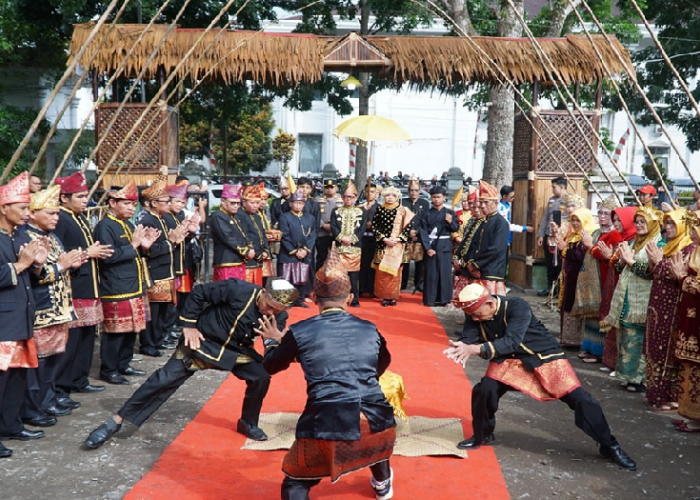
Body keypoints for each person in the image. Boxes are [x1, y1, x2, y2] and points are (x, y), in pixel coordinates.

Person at [82, 278, 297, 450]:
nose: (270, 313)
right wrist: (189, 325)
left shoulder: (279, 315)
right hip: (202, 340)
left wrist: (276, 340)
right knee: (164, 379)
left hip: (234, 351)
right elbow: (200, 292)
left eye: (276, 311)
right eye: (269, 306)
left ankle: (248, 422)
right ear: (264, 293)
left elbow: (270, 347)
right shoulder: (239, 289)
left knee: (260, 376)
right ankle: (115, 421)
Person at [443, 283, 637, 471]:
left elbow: (512, 341)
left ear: (491, 304)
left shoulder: (518, 306)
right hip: (510, 359)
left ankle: (609, 445)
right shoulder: (474, 312)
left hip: (544, 356)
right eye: (472, 316)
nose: (475, 320)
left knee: (581, 400)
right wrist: (461, 347)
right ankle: (482, 435)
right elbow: (469, 338)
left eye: (477, 315)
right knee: (484, 389)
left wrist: (475, 349)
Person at [257, 246, 396, 500]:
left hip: (326, 423)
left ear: (314, 297)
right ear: (349, 297)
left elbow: (270, 366)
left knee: (295, 482)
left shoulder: (299, 332)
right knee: (374, 441)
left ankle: (381, 478)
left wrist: (272, 342)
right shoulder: (370, 328)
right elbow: (381, 364)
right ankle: (382, 481)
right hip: (378, 419)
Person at [22, 185, 85, 427]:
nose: (55, 218)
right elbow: (32, 276)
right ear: (34, 212)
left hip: (59, 309)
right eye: (50, 213)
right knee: (39, 363)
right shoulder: (26, 237)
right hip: (41, 309)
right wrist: (61, 266)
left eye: (57, 213)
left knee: (53, 361)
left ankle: (49, 399)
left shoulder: (52, 236)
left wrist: (72, 263)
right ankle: (35, 405)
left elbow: (61, 265)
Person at [0, 172, 49, 455]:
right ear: (4, 207)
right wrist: (20, 266)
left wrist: (37, 266)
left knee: (16, 378)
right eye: (22, 208)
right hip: (3, 322)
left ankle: (11, 425)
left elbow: (27, 272)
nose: (26, 214)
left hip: (20, 319)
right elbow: (12, 270)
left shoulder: (17, 236)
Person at [52, 172, 111, 402]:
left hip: (90, 285)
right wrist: (89, 253)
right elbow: (60, 255)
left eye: (86, 196)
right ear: (64, 198)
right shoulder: (61, 219)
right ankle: (62, 386)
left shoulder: (80, 217)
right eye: (79, 196)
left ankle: (80, 379)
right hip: (75, 286)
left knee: (87, 338)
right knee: (73, 340)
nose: (85, 200)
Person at [93, 181, 160, 384]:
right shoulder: (105, 226)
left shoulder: (128, 224)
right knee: (115, 332)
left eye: (133, 205)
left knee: (132, 329)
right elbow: (108, 256)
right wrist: (133, 245)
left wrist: (144, 247)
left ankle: (124, 363)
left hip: (134, 285)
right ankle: (109, 369)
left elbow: (136, 250)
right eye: (127, 204)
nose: (131, 208)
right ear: (113, 203)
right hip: (116, 287)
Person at [602, 206, 662, 393]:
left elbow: (653, 272)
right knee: (626, 335)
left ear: (652, 223)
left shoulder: (658, 243)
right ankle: (627, 375)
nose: (639, 225)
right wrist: (622, 262)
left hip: (643, 298)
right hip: (627, 295)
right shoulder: (635, 241)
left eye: (643, 222)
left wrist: (630, 262)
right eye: (637, 222)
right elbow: (623, 267)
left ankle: (638, 378)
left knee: (637, 337)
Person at [643, 209, 694, 411]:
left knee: (667, 350)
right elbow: (655, 271)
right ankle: (654, 394)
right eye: (667, 223)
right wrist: (654, 262)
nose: (668, 227)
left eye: (673, 224)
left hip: (673, 306)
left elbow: (677, 273)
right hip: (657, 303)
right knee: (654, 347)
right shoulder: (666, 245)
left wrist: (658, 262)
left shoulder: (689, 249)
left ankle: (668, 396)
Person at [139, 176, 188, 357]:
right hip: (155, 272)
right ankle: (148, 344)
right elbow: (150, 250)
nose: (168, 204)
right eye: (165, 201)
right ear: (152, 203)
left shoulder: (160, 218)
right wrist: (171, 242)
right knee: (153, 312)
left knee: (162, 310)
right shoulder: (148, 221)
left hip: (165, 271)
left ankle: (158, 340)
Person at [668, 210, 700, 432]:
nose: (692, 234)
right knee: (688, 366)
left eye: (695, 229)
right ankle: (689, 414)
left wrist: (682, 278)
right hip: (690, 317)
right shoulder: (696, 251)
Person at [597, 206, 637, 371]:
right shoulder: (623, 238)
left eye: (619, 220)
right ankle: (611, 361)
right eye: (615, 220)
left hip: (629, 289)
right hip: (616, 285)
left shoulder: (634, 239)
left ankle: (620, 365)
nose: (616, 223)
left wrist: (609, 257)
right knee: (613, 323)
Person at [454, 180, 509, 295]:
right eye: (481, 202)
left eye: (486, 202)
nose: (483, 206)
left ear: (496, 203)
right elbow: (473, 244)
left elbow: (495, 248)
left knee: (487, 306)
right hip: (477, 269)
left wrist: (475, 264)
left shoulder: (500, 223)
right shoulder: (483, 221)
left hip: (491, 270)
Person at [553, 208, 598, 348]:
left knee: (575, 303)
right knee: (567, 303)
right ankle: (567, 338)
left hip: (579, 276)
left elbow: (580, 257)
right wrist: (563, 249)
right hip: (569, 275)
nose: (575, 223)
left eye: (578, 220)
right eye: (573, 220)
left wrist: (564, 249)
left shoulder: (587, 235)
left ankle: (577, 340)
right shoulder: (573, 235)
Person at [586, 196, 622, 365]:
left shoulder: (614, 235)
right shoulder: (598, 233)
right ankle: (590, 347)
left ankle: (598, 351)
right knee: (593, 314)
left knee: (602, 314)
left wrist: (590, 247)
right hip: (594, 278)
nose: (602, 217)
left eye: (607, 214)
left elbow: (609, 255)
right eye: (600, 213)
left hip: (605, 278)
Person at [372, 185, 414, 307]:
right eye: (388, 195)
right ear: (384, 196)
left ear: (397, 197)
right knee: (382, 272)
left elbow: (407, 227)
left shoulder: (403, 210)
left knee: (395, 272)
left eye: (393, 196)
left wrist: (398, 239)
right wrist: (384, 239)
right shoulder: (380, 209)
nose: (390, 198)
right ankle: (384, 296)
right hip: (383, 245)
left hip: (398, 245)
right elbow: (375, 226)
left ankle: (393, 296)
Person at [419, 185, 459, 307]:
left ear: (444, 198)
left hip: (445, 245)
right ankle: (430, 299)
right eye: (434, 197)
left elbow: (455, 228)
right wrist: (427, 248)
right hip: (431, 245)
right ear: (431, 198)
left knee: (445, 273)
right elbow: (423, 231)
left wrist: (450, 222)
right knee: (431, 273)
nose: (436, 199)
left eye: (439, 197)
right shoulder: (426, 213)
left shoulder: (450, 212)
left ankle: (445, 299)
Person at [330, 180, 365, 307]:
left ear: (356, 198)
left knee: (354, 276)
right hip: (340, 248)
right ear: (342, 197)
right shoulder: (336, 211)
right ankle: (339, 298)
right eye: (346, 196)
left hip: (354, 248)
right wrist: (342, 238)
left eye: (351, 197)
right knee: (339, 275)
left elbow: (362, 230)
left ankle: (354, 298)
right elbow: (334, 227)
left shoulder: (361, 212)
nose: (348, 199)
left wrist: (351, 239)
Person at [278, 189, 316, 307]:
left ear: (304, 204)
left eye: (300, 203)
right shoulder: (284, 217)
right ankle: (286, 301)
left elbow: (312, 235)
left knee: (301, 277)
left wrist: (305, 250)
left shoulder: (310, 218)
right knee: (287, 278)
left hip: (304, 253)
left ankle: (298, 299)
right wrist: (294, 251)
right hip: (288, 253)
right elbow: (284, 235)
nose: (298, 205)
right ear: (290, 203)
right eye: (295, 202)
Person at [210, 184, 252, 282]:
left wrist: (250, 246)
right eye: (232, 203)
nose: (236, 206)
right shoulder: (218, 216)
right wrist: (245, 251)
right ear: (223, 201)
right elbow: (227, 237)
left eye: (238, 203)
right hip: (226, 262)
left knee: (239, 291)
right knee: (227, 292)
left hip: (239, 260)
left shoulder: (236, 216)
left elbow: (244, 233)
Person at [537, 177, 568, 296]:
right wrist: (541, 235)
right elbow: (545, 217)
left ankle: (560, 289)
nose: (552, 189)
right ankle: (550, 288)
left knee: (560, 264)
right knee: (549, 263)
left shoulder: (569, 201)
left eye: (554, 187)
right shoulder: (551, 200)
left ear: (562, 187)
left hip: (562, 237)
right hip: (549, 235)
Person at [236, 184, 271, 286]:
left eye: (257, 203)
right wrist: (256, 253)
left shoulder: (256, 215)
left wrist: (266, 250)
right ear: (244, 202)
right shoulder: (240, 215)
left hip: (259, 257)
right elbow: (244, 236)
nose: (255, 205)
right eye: (252, 203)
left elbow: (262, 234)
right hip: (249, 258)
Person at [401, 176, 429, 293]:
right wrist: (408, 232)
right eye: (412, 190)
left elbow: (426, 221)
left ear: (419, 191)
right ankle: (403, 283)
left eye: (416, 190)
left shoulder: (425, 203)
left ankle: (419, 284)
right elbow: (400, 220)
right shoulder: (402, 202)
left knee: (420, 263)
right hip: (405, 237)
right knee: (404, 262)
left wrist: (417, 232)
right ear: (408, 191)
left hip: (419, 237)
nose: (414, 192)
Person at [314, 178, 343, 271]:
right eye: (327, 187)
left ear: (336, 188)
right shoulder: (317, 200)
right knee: (321, 257)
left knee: (336, 257)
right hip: (322, 233)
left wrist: (335, 227)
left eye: (332, 187)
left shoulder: (342, 200)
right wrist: (322, 225)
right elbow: (314, 215)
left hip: (337, 233)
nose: (329, 189)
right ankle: (319, 278)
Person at [359, 182, 380, 297]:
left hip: (374, 239)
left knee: (373, 264)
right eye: (367, 192)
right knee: (362, 263)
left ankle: (372, 289)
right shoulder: (361, 207)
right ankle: (361, 287)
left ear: (376, 194)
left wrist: (373, 225)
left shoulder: (380, 208)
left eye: (372, 192)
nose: (370, 194)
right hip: (362, 238)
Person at [497, 185, 533, 249]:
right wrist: (524, 228)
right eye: (511, 197)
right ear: (504, 196)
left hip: (507, 237)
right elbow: (507, 225)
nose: (513, 198)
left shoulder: (508, 204)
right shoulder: (500, 208)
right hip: (502, 239)